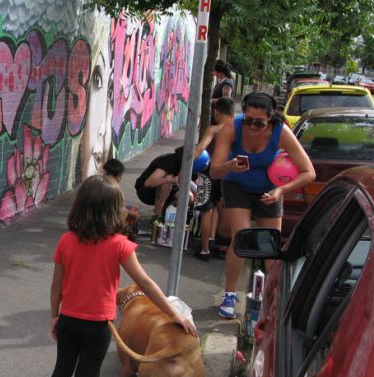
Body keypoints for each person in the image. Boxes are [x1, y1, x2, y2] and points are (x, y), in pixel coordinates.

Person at [43, 174, 197, 377]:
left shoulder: (66, 240)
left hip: (68, 320)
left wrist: (55, 316)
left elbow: (56, 285)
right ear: (115, 210)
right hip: (97, 326)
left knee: (61, 371)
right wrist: (174, 314)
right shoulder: (119, 244)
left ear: (80, 205)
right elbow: (145, 283)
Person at [210, 92, 315, 319]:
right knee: (241, 236)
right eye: (248, 120)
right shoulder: (232, 127)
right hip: (237, 185)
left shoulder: (281, 132)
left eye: (259, 123)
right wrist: (230, 165)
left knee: (270, 244)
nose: (252, 127)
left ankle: (273, 299)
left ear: (270, 119)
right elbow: (215, 170)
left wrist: (281, 191)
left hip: (270, 190)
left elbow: (309, 172)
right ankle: (229, 295)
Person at [193, 97, 235, 261]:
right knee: (225, 211)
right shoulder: (237, 131)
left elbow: (201, 149)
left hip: (208, 173)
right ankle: (222, 246)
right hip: (229, 175)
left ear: (216, 112)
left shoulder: (213, 129)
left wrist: (187, 165)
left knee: (206, 212)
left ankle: (205, 250)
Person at [134, 146, 199, 221]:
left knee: (189, 196)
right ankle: (157, 216)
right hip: (146, 191)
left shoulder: (193, 166)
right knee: (166, 184)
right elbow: (148, 183)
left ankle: (174, 217)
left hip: (169, 191)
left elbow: (195, 187)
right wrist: (169, 179)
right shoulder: (169, 162)